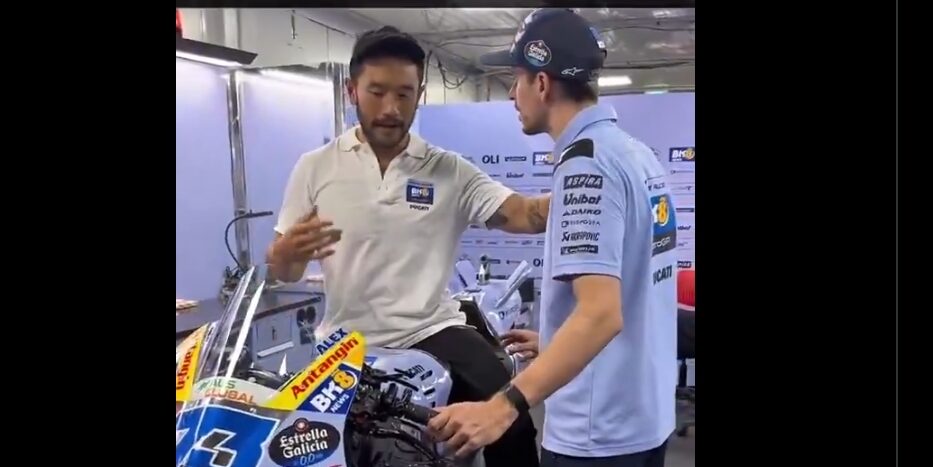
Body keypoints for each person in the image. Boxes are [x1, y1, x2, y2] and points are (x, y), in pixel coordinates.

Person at [265, 26, 544, 467]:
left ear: (419, 96)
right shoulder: (315, 168)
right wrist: (288, 254)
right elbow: (284, 270)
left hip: (431, 329)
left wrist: (588, 190)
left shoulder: (448, 170)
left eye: (404, 94)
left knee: (512, 419)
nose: (391, 109)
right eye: (377, 92)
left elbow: (524, 214)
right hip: (343, 342)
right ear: (352, 91)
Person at [427, 9, 679, 467]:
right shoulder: (634, 154)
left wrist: (501, 407)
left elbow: (600, 315)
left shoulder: (586, 164)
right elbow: (634, 296)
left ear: (541, 83)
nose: (511, 93)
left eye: (516, 78)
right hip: (644, 421)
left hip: (597, 432)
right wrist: (556, 343)